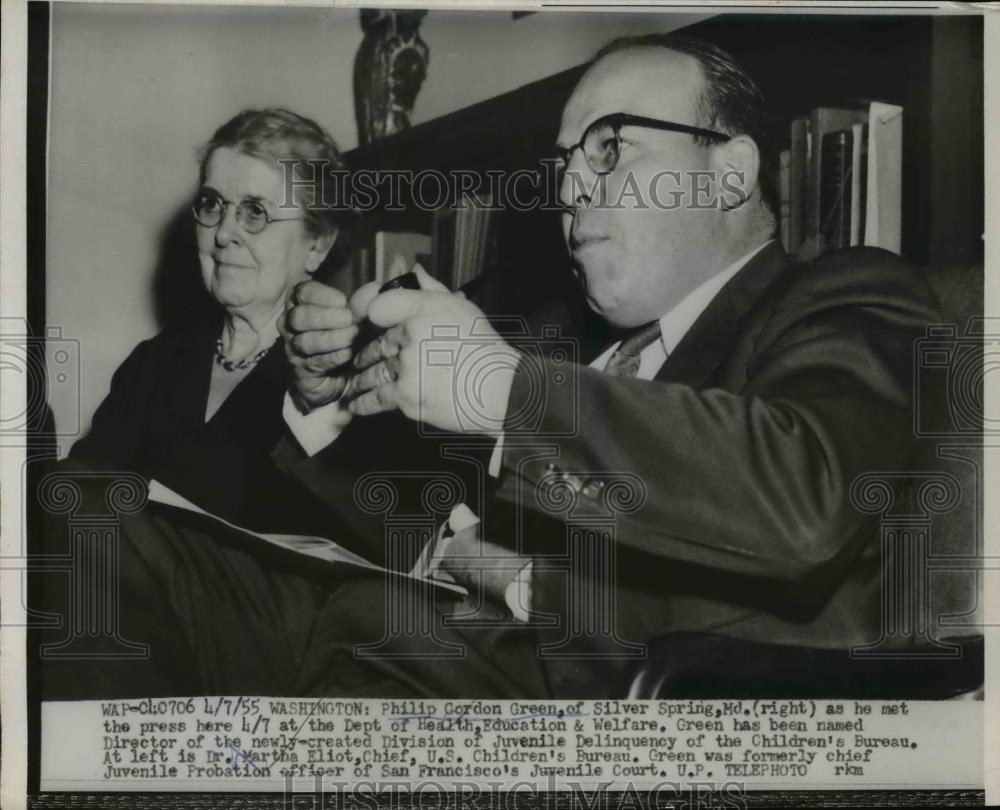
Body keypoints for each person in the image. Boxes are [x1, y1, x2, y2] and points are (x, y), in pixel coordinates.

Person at [275, 33, 942, 697]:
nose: (567, 188)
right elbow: (398, 531)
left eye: (611, 148)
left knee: (358, 628)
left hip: (667, 717)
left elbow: (809, 504)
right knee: (189, 566)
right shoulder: (557, 340)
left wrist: (509, 401)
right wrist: (331, 396)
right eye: (563, 162)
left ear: (731, 172)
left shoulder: (850, 296)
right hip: (458, 663)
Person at [67, 107, 343, 531]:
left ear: (317, 245)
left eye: (255, 212)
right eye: (213, 205)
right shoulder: (153, 365)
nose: (224, 233)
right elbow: (74, 504)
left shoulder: (338, 383)